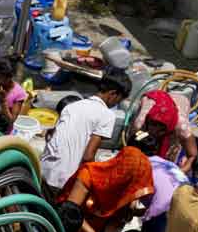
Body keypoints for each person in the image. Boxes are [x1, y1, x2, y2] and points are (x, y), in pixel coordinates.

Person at [39, 71, 131, 200]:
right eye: (118, 100)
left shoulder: (72, 106)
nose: (115, 105)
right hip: (63, 180)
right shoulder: (107, 115)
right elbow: (88, 156)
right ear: (113, 94)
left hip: (43, 169)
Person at [55, 146, 154, 232]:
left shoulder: (126, 191)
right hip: (69, 231)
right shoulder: (88, 174)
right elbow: (69, 212)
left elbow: (115, 219)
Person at [130, 90, 198, 173]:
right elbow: (132, 146)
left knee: (172, 151)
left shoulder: (181, 127)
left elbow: (193, 156)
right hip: (152, 101)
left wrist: (178, 173)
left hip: (181, 101)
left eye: (160, 129)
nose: (154, 131)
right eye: (153, 124)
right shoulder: (141, 123)